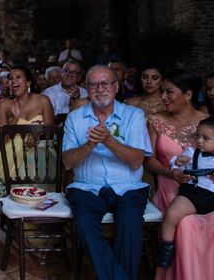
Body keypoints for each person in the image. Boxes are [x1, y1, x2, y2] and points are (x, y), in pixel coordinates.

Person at [62, 65, 152, 280]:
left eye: (105, 83)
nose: (100, 89)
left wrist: (109, 140)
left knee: (130, 220)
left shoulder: (134, 116)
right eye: (93, 84)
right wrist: (89, 145)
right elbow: (67, 163)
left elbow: (137, 160)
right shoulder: (74, 119)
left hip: (129, 187)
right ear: (87, 88)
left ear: (116, 87)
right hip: (86, 188)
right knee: (82, 222)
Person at [145, 70, 211, 280]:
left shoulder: (208, 122)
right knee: (182, 225)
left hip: (206, 189)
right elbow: (149, 160)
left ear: (188, 95)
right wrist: (170, 173)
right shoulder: (156, 121)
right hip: (170, 189)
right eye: (163, 92)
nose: (163, 97)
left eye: (169, 92)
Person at [157, 117, 214, 269]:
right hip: (194, 193)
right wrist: (178, 161)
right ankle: (167, 247)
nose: (199, 141)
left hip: (212, 196)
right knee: (171, 214)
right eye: (198, 136)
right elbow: (176, 164)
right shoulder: (192, 152)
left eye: (205, 138)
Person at [0, 66, 55, 180]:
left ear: (28, 82)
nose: (13, 80)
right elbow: (3, 139)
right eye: (11, 78)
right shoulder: (4, 105)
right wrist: (15, 119)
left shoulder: (43, 100)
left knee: (36, 158)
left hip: (40, 147)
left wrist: (38, 135)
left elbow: (51, 131)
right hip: (12, 149)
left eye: (18, 77)